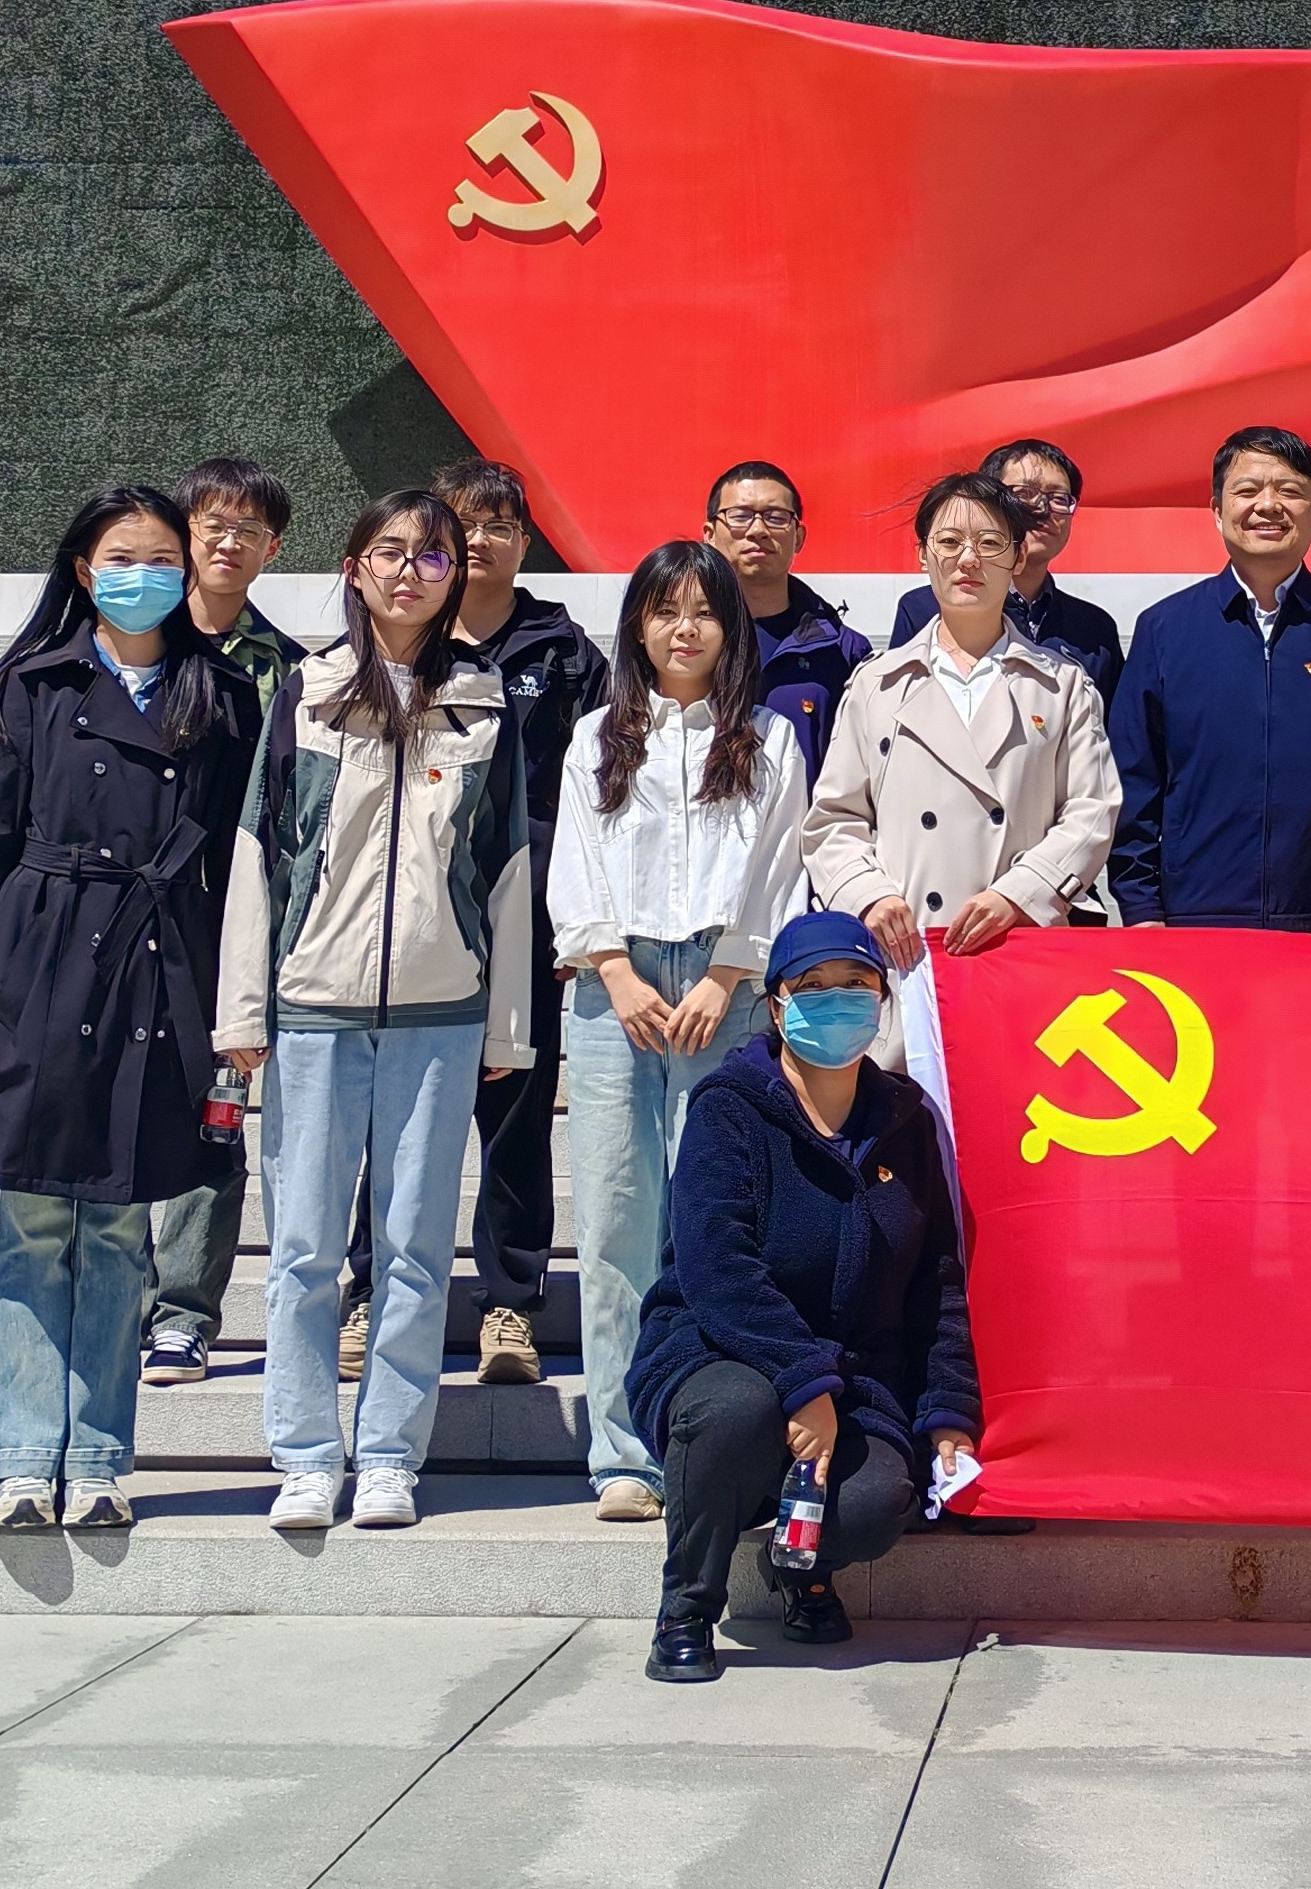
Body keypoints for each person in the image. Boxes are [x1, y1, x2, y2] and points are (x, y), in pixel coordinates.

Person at [0, 485, 256, 1531]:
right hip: (39, 963)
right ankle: (22, 1460)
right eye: (121, 558)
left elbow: (245, 863)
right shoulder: (33, 684)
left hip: (161, 969)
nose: (141, 577)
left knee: (117, 1224)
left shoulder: (222, 694)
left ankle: (101, 1459)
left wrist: (236, 1007)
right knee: (31, 1220)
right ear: (82, 569)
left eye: (161, 560)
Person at [215, 488, 533, 1534]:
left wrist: (507, 1024)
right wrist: (244, 1011)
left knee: (413, 1250)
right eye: (389, 552)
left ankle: (391, 1455)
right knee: (305, 1249)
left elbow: (507, 869)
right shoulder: (305, 692)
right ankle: (307, 1455)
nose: (409, 571)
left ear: (455, 577)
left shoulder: (483, 700)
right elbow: (258, 851)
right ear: (354, 568)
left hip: (442, 1012)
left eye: (432, 557)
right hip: (314, 1007)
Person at [632, 907, 980, 1684]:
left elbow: (937, 1282)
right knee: (735, 1411)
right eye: (813, 984)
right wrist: (801, 1382)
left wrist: (949, 1411)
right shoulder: (728, 1108)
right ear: (777, 1002)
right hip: (721, 1352)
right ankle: (686, 1605)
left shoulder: (907, 1120)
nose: (837, 997)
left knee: (879, 1499)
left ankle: (802, 1571)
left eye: (856, 982)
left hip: (858, 1377)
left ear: (881, 997)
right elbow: (718, 1268)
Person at [550, 540, 805, 1524]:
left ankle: (707, 1443)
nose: (684, 628)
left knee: (712, 1220)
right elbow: (576, 865)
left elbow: (780, 868)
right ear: (638, 627)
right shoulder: (596, 737)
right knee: (616, 1220)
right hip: (612, 989)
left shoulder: (769, 740)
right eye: (665, 610)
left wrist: (728, 973)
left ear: (731, 628)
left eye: (704, 611)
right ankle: (623, 1453)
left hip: (723, 989)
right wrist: (616, 971)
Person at [377, 459, 610, 1390]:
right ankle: (372, 1290)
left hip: (530, 923)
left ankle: (509, 1302)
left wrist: (579, 919)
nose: (481, 540)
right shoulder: (400, 641)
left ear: (525, 540)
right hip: (413, 918)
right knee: (397, 1116)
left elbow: (602, 791)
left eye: (500, 525)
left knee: (516, 1120)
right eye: (463, 523)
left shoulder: (567, 653)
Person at [1106, 427, 1311, 938]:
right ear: (1217, 510)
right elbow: (1132, 782)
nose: (1268, 505)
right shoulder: (1164, 630)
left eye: (1289, 491)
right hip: (1197, 920)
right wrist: (1140, 904)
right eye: (1247, 490)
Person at [808, 472, 1121, 981]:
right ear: (923, 555)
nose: (968, 559)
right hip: (907, 950)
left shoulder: (1062, 685)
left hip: (1022, 943)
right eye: (950, 542)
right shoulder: (877, 684)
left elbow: (1092, 810)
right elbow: (833, 820)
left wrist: (1018, 894)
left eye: (990, 543)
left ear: (1017, 557)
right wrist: (869, 895)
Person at [141, 456, 299, 1390]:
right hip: (126, 919)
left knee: (216, 1117)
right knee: (121, 1108)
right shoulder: (132, 642)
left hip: (226, 924)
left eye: (250, 529)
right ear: (186, 530)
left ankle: (184, 1314)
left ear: (272, 548)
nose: (229, 542)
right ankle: (118, 1296)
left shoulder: (287, 668)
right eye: (215, 523)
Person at [887, 437, 1127, 709]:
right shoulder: (924, 609)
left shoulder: (1095, 629)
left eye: (1059, 498)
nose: (1041, 508)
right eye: (1024, 493)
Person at [707, 460, 868, 784]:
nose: (758, 530)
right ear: (709, 535)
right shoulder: (682, 641)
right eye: (740, 515)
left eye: (776, 517)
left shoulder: (843, 651)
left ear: (798, 537)